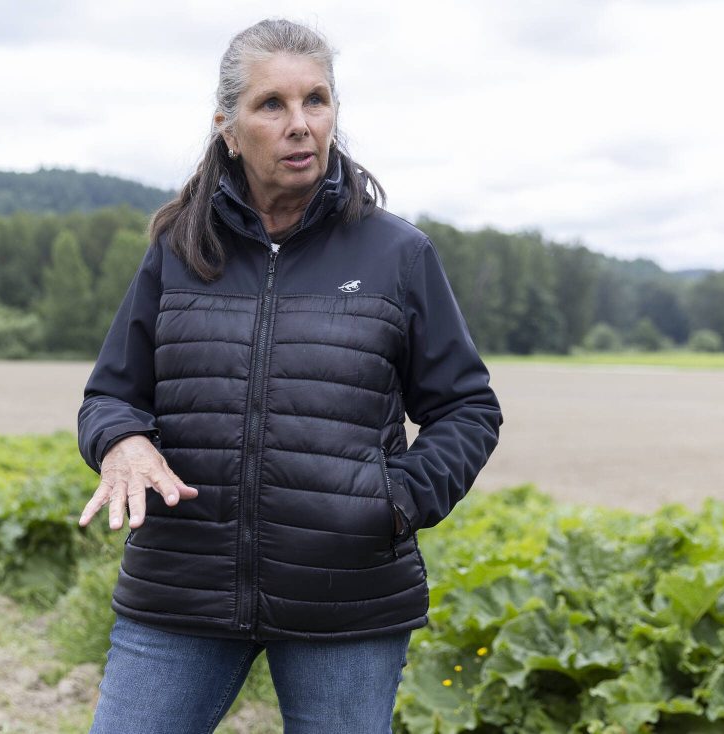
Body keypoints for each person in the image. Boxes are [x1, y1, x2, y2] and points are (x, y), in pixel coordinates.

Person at [76, 18, 502, 734]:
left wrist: (392, 503)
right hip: (182, 591)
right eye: (272, 104)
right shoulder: (179, 248)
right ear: (228, 128)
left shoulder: (398, 253)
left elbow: (467, 408)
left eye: (317, 101)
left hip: (348, 599)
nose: (300, 124)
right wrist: (121, 442)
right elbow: (112, 394)